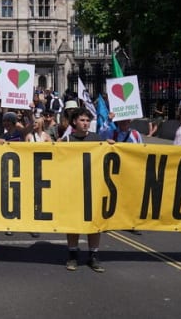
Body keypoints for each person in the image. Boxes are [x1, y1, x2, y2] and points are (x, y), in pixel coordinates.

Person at [61, 108, 107, 273]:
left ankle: (93, 255)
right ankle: (72, 254)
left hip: (92, 187)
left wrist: (112, 147)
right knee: (73, 222)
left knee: (93, 223)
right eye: (82, 120)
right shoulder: (66, 140)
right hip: (72, 188)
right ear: (74, 122)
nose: (85, 123)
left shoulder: (97, 139)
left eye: (87, 120)